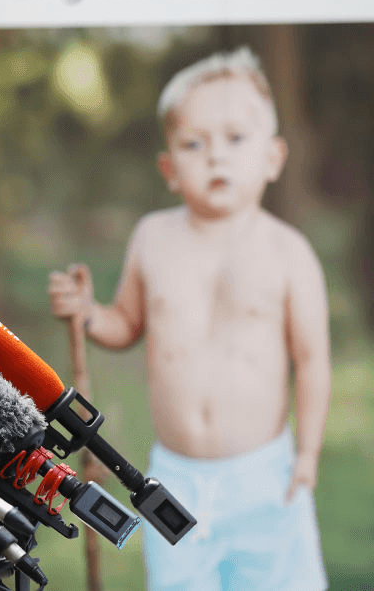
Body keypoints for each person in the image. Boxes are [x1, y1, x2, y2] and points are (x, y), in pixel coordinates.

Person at [48, 47, 331, 591]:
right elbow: (125, 323)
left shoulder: (287, 252)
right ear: (169, 168)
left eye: (236, 139)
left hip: (264, 475)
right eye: (194, 144)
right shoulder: (154, 239)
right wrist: (89, 314)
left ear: (273, 158)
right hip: (173, 479)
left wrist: (308, 456)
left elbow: (312, 361)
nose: (215, 157)